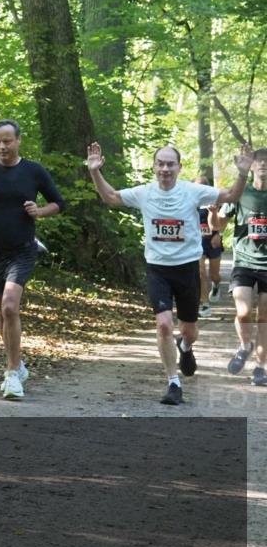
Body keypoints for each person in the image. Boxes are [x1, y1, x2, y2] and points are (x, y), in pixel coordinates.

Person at [86, 142, 254, 404]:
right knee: (164, 324)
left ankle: (185, 347)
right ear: (154, 167)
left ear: (179, 167)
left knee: (189, 331)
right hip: (158, 269)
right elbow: (111, 197)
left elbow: (231, 196)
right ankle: (173, 383)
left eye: (170, 164)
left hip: (187, 269)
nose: (165, 168)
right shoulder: (144, 193)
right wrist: (95, 171)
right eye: (161, 164)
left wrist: (243, 173)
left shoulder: (192, 191)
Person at [0, 120, 65, 400]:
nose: (2, 146)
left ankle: (11, 375)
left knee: (9, 306)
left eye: (7, 141)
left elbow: (59, 203)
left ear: (18, 141)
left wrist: (39, 211)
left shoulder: (33, 171)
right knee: (2, 313)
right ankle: (17, 362)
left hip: (23, 250)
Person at [210, 147, 267, 385]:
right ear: (251, 165)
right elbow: (218, 225)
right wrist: (213, 213)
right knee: (243, 312)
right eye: (259, 161)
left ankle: (261, 367)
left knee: (264, 316)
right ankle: (245, 345)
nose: (263, 164)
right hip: (244, 261)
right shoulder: (241, 193)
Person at [194, 176, 224, 318]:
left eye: (202, 186)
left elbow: (222, 220)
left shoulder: (214, 200)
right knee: (200, 272)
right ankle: (205, 304)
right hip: (197, 241)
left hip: (213, 240)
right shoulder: (189, 200)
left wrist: (218, 234)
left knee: (214, 275)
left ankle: (216, 285)